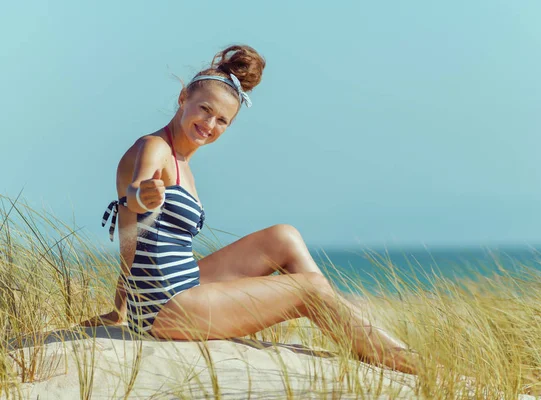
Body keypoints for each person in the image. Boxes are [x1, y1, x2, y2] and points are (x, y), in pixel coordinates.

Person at [88, 45, 418, 374]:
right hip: (165, 308)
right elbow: (133, 200)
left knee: (283, 237)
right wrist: (143, 195)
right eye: (204, 109)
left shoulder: (183, 160)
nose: (210, 124)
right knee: (310, 287)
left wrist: (120, 308)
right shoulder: (155, 148)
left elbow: (134, 241)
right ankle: (397, 357)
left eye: (222, 121)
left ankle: (357, 331)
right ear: (182, 98)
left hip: (180, 287)